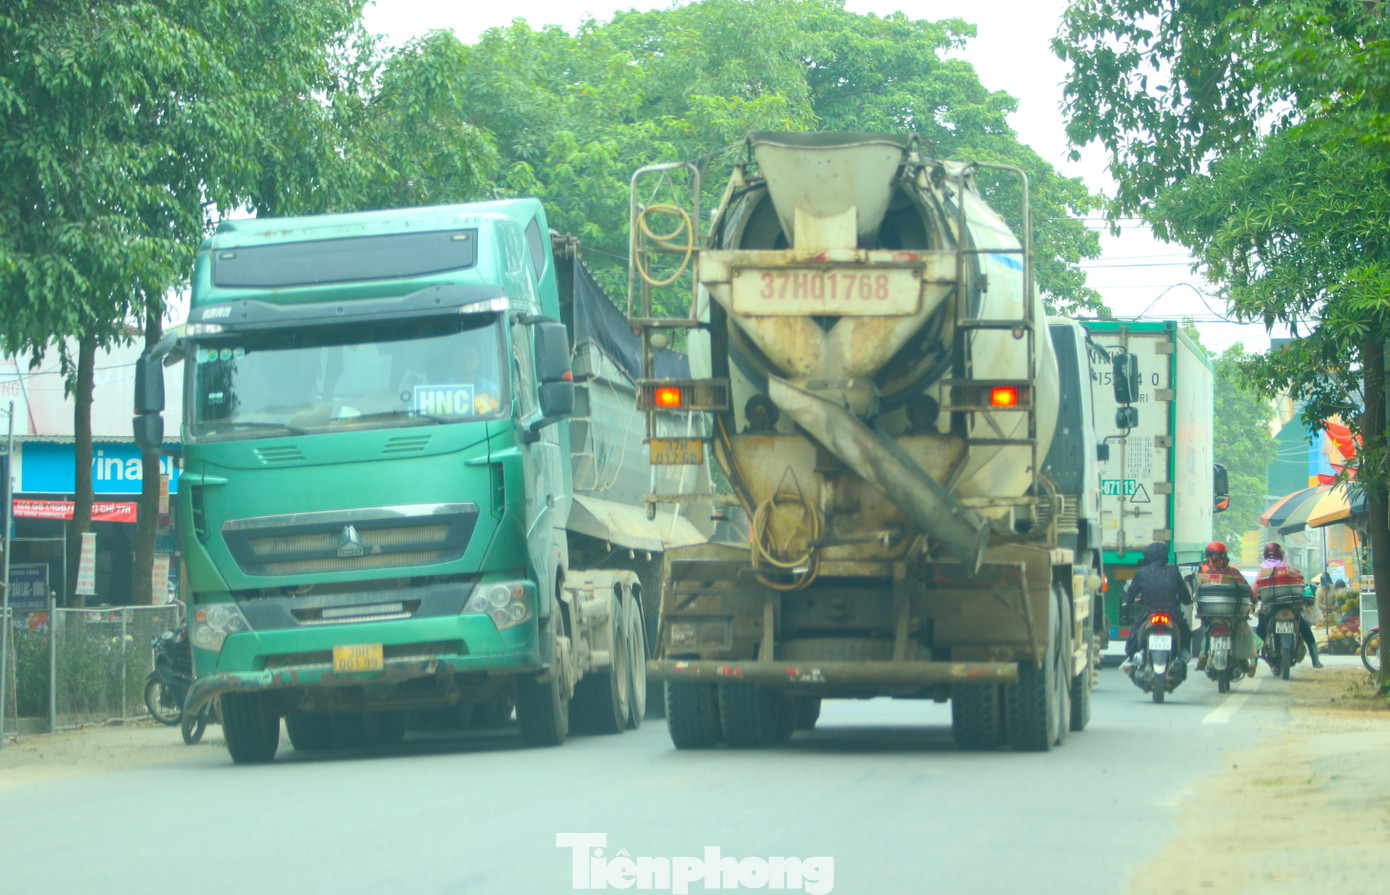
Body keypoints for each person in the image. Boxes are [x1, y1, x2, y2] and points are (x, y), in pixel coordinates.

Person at [1122, 541, 1194, 667]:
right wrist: (1187, 601)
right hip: (1172, 612)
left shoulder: (1142, 572)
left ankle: (1131, 660)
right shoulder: (1173, 572)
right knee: (1185, 632)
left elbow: (1131, 593)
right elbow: (1184, 595)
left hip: (1148, 612)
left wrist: (1127, 601)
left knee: (1134, 634)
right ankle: (1184, 654)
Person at [1252, 542, 1322, 668]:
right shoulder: (1288, 567)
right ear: (1281, 555)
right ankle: (1316, 659)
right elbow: (1301, 582)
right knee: (1304, 628)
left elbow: (1255, 588)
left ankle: (1253, 662)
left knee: (1260, 630)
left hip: (1270, 606)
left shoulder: (1263, 570)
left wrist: (1252, 597)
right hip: (1290, 605)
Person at [1193, 541, 1257, 675]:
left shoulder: (1207, 576)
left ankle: (1203, 653)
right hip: (1233, 614)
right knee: (1245, 630)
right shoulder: (1234, 573)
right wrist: (1253, 602)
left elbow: (1198, 595)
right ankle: (1252, 662)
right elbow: (1248, 591)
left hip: (1211, 615)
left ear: (1211, 558)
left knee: (1206, 629)